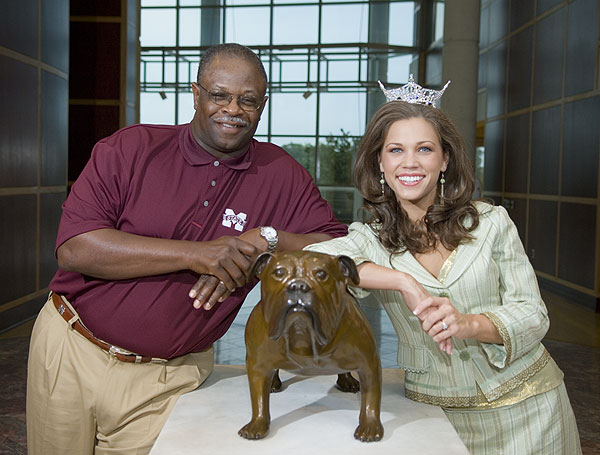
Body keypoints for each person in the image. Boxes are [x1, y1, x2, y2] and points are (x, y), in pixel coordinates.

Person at [26, 43, 347, 455]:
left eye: (248, 100)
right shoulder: (130, 149)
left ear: (263, 105)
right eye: (220, 95)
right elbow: (75, 248)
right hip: (71, 350)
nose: (233, 109)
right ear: (196, 94)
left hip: (167, 380)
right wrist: (199, 254)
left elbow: (339, 250)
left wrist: (264, 239)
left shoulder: (281, 174)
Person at [305, 78, 582, 454]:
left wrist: (468, 323)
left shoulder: (491, 223)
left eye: (424, 149)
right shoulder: (369, 239)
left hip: (530, 409)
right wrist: (401, 280)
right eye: (395, 150)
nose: (410, 162)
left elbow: (534, 314)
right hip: (435, 418)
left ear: (444, 160)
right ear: (380, 163)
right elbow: (309, 261)